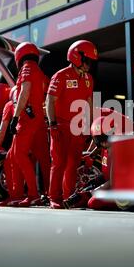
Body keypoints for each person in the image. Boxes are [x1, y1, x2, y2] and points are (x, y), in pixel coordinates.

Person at [46, 40, 97, 209]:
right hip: (60, 126)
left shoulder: (89, 78)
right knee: (58, 162)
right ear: (76, 57)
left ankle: (68, 197)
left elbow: (89, 103)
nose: (89, 65)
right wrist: (52, 124)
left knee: (73, 163)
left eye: (91, 62)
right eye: (87, 61)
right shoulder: (60, 76)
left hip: (78, 127)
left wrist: (90, 127)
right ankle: (54, 198)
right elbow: (50, 101)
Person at [63, 110, 133, 210]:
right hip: (109, 183)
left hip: (121, 189)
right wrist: (87, 189)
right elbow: (105, 175)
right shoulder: (106, 148)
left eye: (104, 138)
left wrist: (91, 192)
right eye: (99, 139)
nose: (103, 143)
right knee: (88, 188)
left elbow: (114, 182)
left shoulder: (119, 151)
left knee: (93, 202)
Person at [9, 42, 46, 207]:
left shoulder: (26, 68)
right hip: (39, 117)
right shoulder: (38, 70)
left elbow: (24, 92)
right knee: (44, 158)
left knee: (19, 155)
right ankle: (50, 194)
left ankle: (33, 194)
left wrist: (15, 117)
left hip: (28, 118)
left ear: (19, 55)